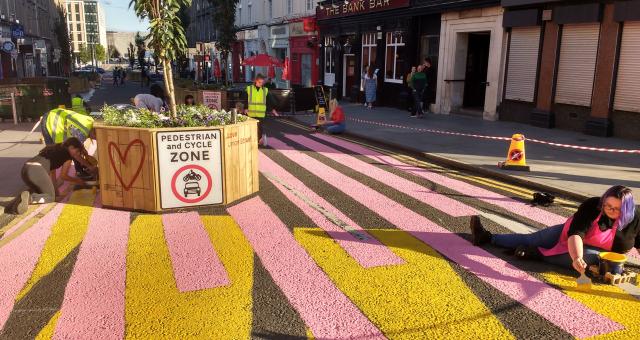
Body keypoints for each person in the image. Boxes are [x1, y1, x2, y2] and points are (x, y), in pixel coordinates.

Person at [470, 185, 640, 274]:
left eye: (617, 209)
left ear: (627, 210)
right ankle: (488, 237)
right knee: (533, 239)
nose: (610, 210)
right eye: (607, 205)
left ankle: (537, 254)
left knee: (594, 259)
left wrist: (581, 259)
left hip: (600, 253)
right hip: (571, 235)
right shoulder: (592, 205)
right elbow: (576, 233)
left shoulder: (637, 217)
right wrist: (577, 257)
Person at [9, 138, 96, 213]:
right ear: (71, 147)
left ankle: (19, 202)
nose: (76, 154)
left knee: (44, 193)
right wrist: (78, 181)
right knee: (50, 197)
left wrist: (56, 192)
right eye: (76, 151)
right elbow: (63, 176)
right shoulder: (67, 156)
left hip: (25, 170)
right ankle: (30, 198)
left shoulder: (55, 150)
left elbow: (52, 176)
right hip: (36, 170)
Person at [245, 74, 278, 146]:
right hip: (251, 113)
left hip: (261, 113)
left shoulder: (265, 90)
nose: (261, 84)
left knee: (259, 128)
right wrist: (245, 108)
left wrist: (272, 109)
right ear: (255, 81)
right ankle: (254, 140)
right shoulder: (249, 89)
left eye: (262, 83)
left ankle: (259, 140)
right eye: (259, 82)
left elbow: (269, 101)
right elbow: (244, 99)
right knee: (251, 128)